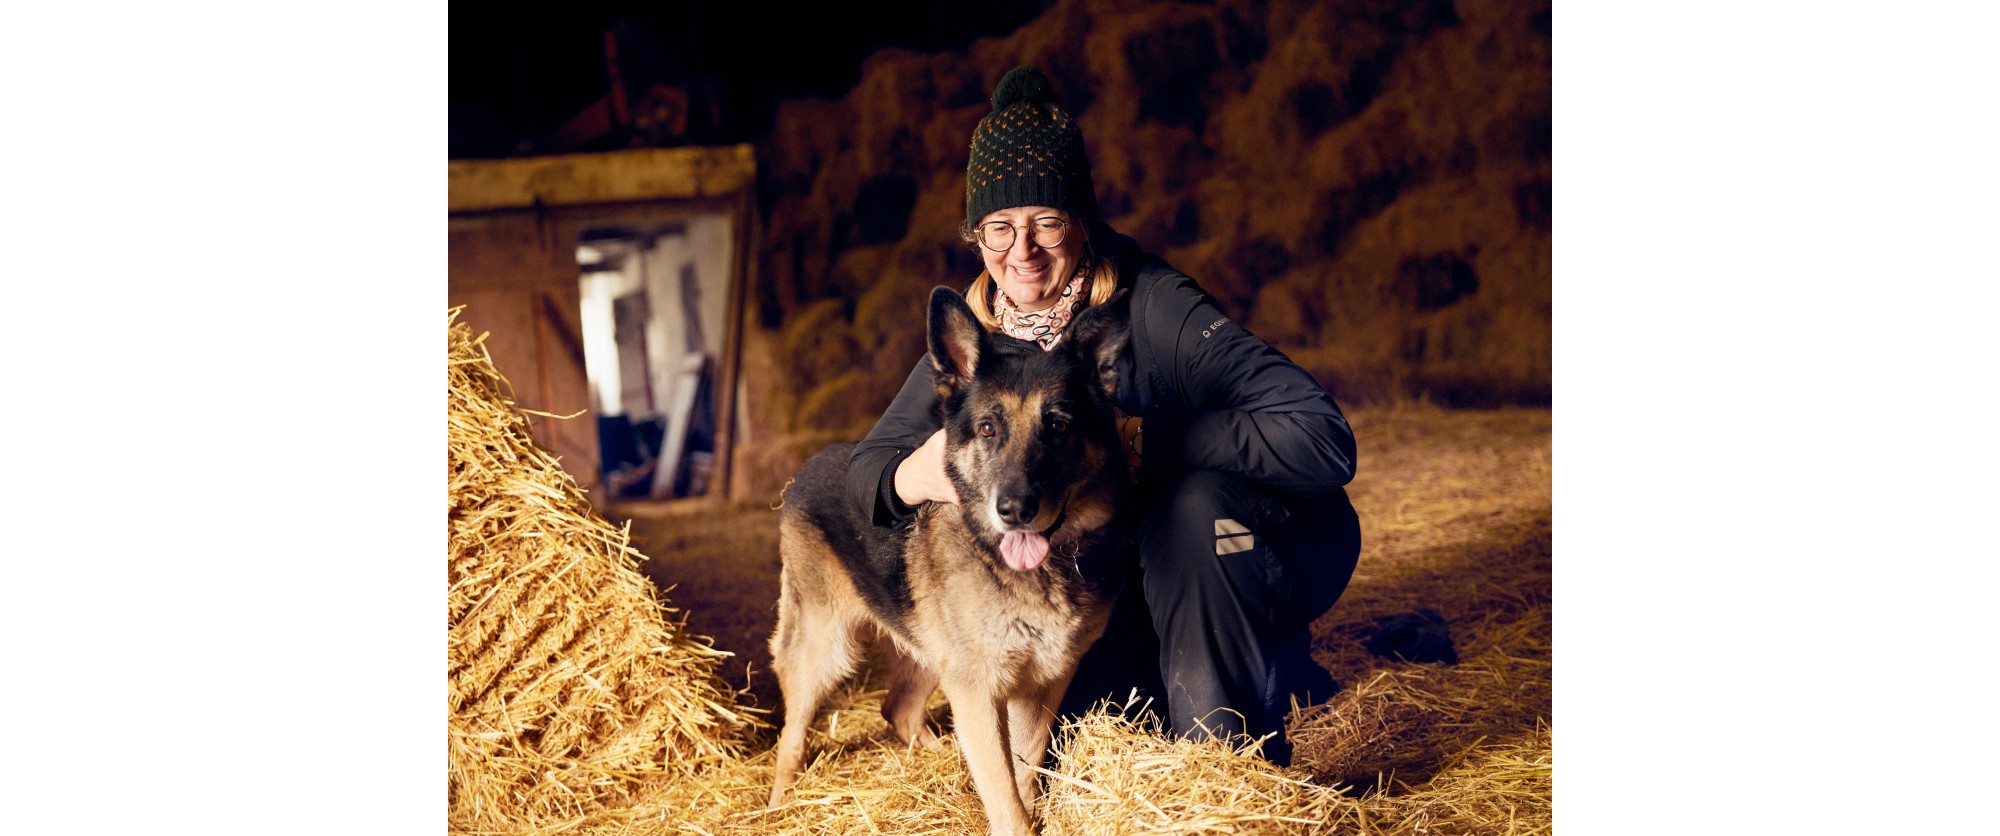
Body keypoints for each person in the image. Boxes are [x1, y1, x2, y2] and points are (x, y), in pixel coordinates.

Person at [847, 65, 1361, 766]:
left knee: (1193, 507)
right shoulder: (985, 340)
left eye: (1046, 224)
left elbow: (1323, 440)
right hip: (1114, 581)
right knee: (1069, 743)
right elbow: (861, 479)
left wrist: (1147, 441)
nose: (1020, 252)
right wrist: (921, 471)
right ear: (975, 237)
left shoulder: (1155, 308)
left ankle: (1226, 759)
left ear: (1082, 223)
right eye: (998, 228)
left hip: (1240, 550)